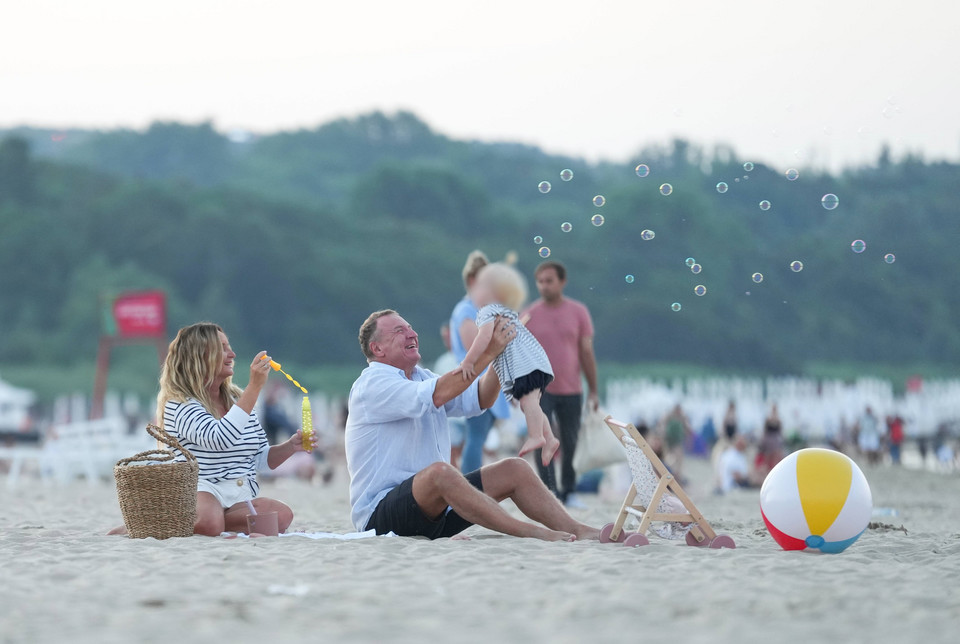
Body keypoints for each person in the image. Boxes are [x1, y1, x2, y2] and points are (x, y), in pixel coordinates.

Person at [345, 309, 599, 542]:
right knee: (441, 473)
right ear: (377, 348)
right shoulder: (372, 384)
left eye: (410, 328)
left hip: (433, 511)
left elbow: (480, 397)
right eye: (400, 331)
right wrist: (487, 350)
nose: (412, 333)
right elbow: (438, 394)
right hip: (380, 518)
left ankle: (578, 530)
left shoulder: (421, 376)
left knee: (515, 469)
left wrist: (502, 354)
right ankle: (528, 531)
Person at [111, 322, 316, 537]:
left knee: (282, 515)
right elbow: (217, 438)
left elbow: (260, 459)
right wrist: (254, 387)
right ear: (199, 356)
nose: (232, 354)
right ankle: (154, 523)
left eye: (229, 347)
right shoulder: (179, 403)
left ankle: (197, 523)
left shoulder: (238, 400)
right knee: (210, 521)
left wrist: (291, 446)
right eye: (223, 348)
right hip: (198, 488)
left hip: (237, 493)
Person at [459, 262, 559, 465]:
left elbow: (484, 339)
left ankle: (536, 436)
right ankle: (549, 439)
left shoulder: (487, 312)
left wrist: (469, 361)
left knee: (528, 403)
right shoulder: (505, 312)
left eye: (478, 287)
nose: (473, 292)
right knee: (531, 405)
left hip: (527, 367)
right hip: (536, 364)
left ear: (492, 293)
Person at [522, 260, 599, 506]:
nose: (544, 286)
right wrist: (519, 391)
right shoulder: (529, 314)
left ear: (562, 282)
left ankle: (569, 490)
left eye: (549, 281)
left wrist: (594, 390)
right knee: (541, 439)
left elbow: (587, 352)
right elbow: (519, 354)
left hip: (572, 387)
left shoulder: (578, 312)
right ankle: (549, 492)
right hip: (539, 389)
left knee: (570, 441)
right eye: (540, 281)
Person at [449, 250, 512, 473]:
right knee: (475, 436)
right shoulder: (466, 309)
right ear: (473, 281)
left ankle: (471, 481)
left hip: (486, 379)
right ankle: (470, 484)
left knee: (478, 437)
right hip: (474, 380)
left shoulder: (480, 310)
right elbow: (472, 347)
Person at [434, 323, 465, 469]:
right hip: (450, 415)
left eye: (450, 337)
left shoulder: (469, 355)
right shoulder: (442, 361)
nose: (448, 341)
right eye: (445, 338)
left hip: (469, 412)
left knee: (469, 449)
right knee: (451, 452)